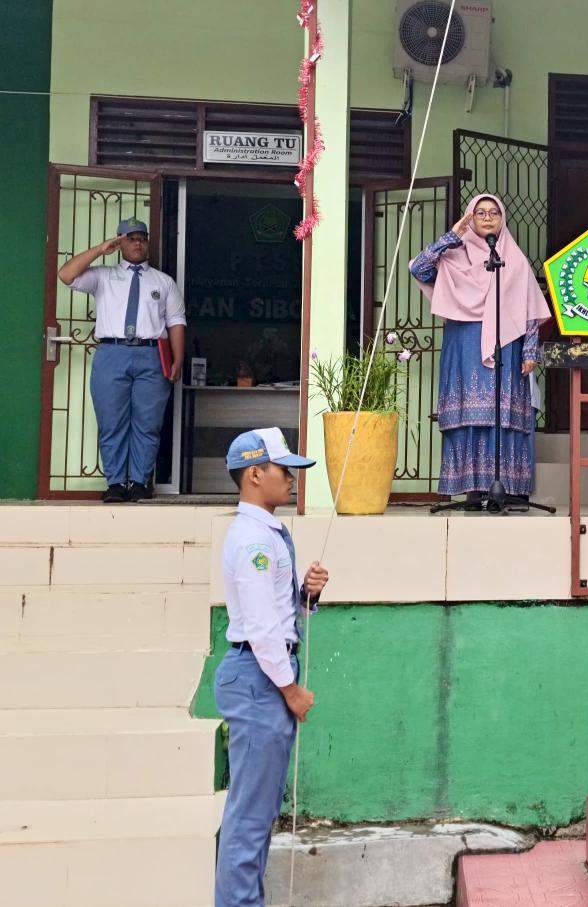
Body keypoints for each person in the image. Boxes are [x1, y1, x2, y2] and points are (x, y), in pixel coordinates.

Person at [214, 427, 328, 907]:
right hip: (259, 681)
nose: (292, 479)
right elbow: (262, 628)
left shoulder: (267, 533)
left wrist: (307, 595)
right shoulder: (254, 541)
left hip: (261, 677)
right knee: (249, 822)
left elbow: (274, 612)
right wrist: (290, 690)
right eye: (284, 470)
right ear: (254, 474)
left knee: (257, 818)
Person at [410, 194, 550, 505]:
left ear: (503, 219)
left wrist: (530, 351)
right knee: (468, 416)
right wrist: (452, 236)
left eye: (494, 213)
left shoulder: (514, 259)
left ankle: (506, 490)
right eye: (480, 213)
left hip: (506, 349)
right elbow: (418, 268)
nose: (487, 218)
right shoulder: (453, 257)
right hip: (465, 347)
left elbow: (530, 311)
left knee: (503, 417)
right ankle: (472, 491)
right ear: (470, 218)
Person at [56, 218, 185, 503]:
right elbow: (65, 275)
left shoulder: (163, 282)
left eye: (142, 238)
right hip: (111, 354)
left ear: (147, 242)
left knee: (147, 423)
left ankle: (139, 482)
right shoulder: (103, 275)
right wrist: (100, 250)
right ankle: (115, 483)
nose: (137, 243)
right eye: (130, 238)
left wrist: (177, 359)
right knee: (112, 421)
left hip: (151, 355)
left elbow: (176, 322)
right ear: (120, 242)